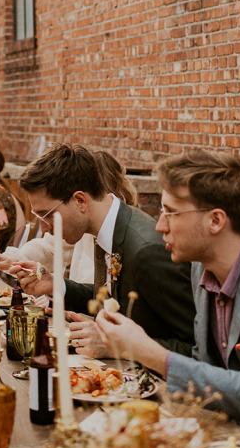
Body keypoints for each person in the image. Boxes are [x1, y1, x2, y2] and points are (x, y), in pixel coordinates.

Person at [97, 149, 240, 432]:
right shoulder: (201, 268)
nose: (159, 226)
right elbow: (204, 366)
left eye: (171, 212)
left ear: (216, 221)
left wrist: (151, 353)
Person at [14, 143, 195, 357]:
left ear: (80, 200)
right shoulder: (107, 228)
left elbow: (195, 349)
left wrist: (115, 346)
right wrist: (57, 285)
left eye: (46, 215)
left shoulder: (147, 252)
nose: (43, 227)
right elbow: (114, 296)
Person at [0, 149, 139, 283]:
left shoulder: (128, 236)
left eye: (48, 214)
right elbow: (49, 248)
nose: (46, 225)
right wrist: (13, 260)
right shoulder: (81, 224)